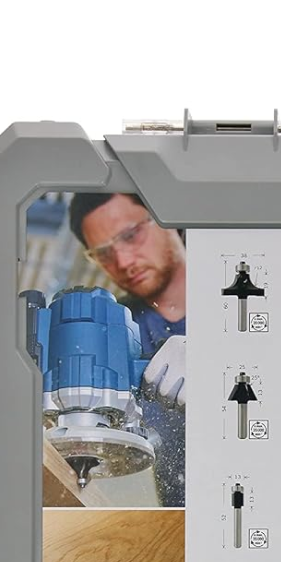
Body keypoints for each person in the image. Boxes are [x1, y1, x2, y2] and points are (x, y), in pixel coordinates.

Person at [67, 193, 188, 505]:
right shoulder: (110, 330)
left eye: (131, 235)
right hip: (180, 522)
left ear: (169, 217)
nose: (122, 262)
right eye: (103, 254)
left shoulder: (250, 300)